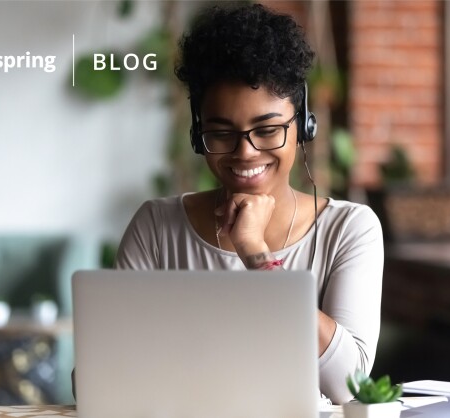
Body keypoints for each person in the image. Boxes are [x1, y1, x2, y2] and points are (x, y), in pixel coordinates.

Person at [115, 3, 383, 404]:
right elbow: (99, 377)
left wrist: (256, 254)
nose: (245, 152)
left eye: (268, 129)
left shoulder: (349, 229)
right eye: (221, 133)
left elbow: (352, 385)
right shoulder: (157, 226)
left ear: (303, 126)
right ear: (197, 134)